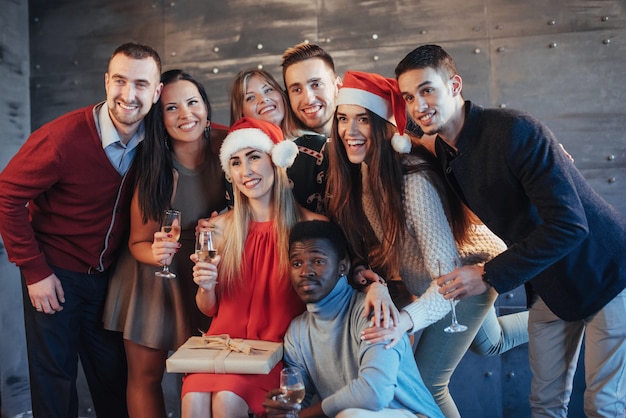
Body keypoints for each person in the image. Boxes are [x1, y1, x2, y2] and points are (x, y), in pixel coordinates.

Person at [395, 44, 626, 417]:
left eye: (427, 90)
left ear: (454, 85)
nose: (418, 105)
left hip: (607, 275)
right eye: (408, 96)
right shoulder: (443, 148)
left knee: (604, 405)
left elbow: (569, 226)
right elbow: (391, 129)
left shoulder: (516, 130)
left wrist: (487, 274)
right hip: (551, 287)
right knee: (545, 404)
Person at [324, 70, 528, 417]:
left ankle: (570, 314)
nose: (350, 131)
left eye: (363, 120)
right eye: (343, 119)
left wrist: (405, 319)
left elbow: (447, 281)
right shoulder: (363, 172)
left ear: (385, 126)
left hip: (467, 276)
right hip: (451, 275)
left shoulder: (411, 178)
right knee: (492, 342)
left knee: (429, 381)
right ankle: (568, 317)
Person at [0, 42, 163, 418]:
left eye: (140, 84)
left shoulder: (154, 138)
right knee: (54, 385)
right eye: (119, 81)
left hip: (108, 280)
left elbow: (199, 128)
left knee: (114, 382)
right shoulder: (62, 138)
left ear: (156, 92)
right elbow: (7, 195)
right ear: (106, 82)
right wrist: (34, 271)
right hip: (55, 278)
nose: (128, 94)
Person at [102, 69, 229, 418]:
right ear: (159, 118)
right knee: (145, 375)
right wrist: (155, 252)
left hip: (207, 272)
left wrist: (225, 222)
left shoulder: (230, 145)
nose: (185, 114)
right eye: (171, 108)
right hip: (150, 276)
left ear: (205, 105)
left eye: (192, 102)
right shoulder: (154, 164)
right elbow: (137, 242)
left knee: (203, 375)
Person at [181, 117, 327, 418]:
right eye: (235, 162)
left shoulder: (311, 228)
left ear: (275, 160)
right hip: (222, 350)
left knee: (226, 399)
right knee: (193, 397)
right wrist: (206, 287)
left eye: (254, 157)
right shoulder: (218, 229)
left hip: (277, 357)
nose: (245, 171)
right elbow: (208, 310)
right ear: (229, 174)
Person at [263, 220, 444, 418]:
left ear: (343, 267)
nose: (306, 272)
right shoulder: (297, 333)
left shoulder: (374, 311)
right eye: (297, 263)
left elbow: (373, 393)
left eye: (318, 261)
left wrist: (301, 417)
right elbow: (300, 402)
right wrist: (285, 410)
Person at [228, 68, 323, 213]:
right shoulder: (236, 162)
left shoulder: (318, 149)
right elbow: (234, 219)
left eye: (268, 90)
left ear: (281, 95)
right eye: (250, 98)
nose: (263, 99)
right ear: (241, 112)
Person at [278, 42, 344, 213]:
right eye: (297, 89)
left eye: (316, 84)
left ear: (337, 87)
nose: (308, 99)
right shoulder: (284, 158)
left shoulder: (364, 137)